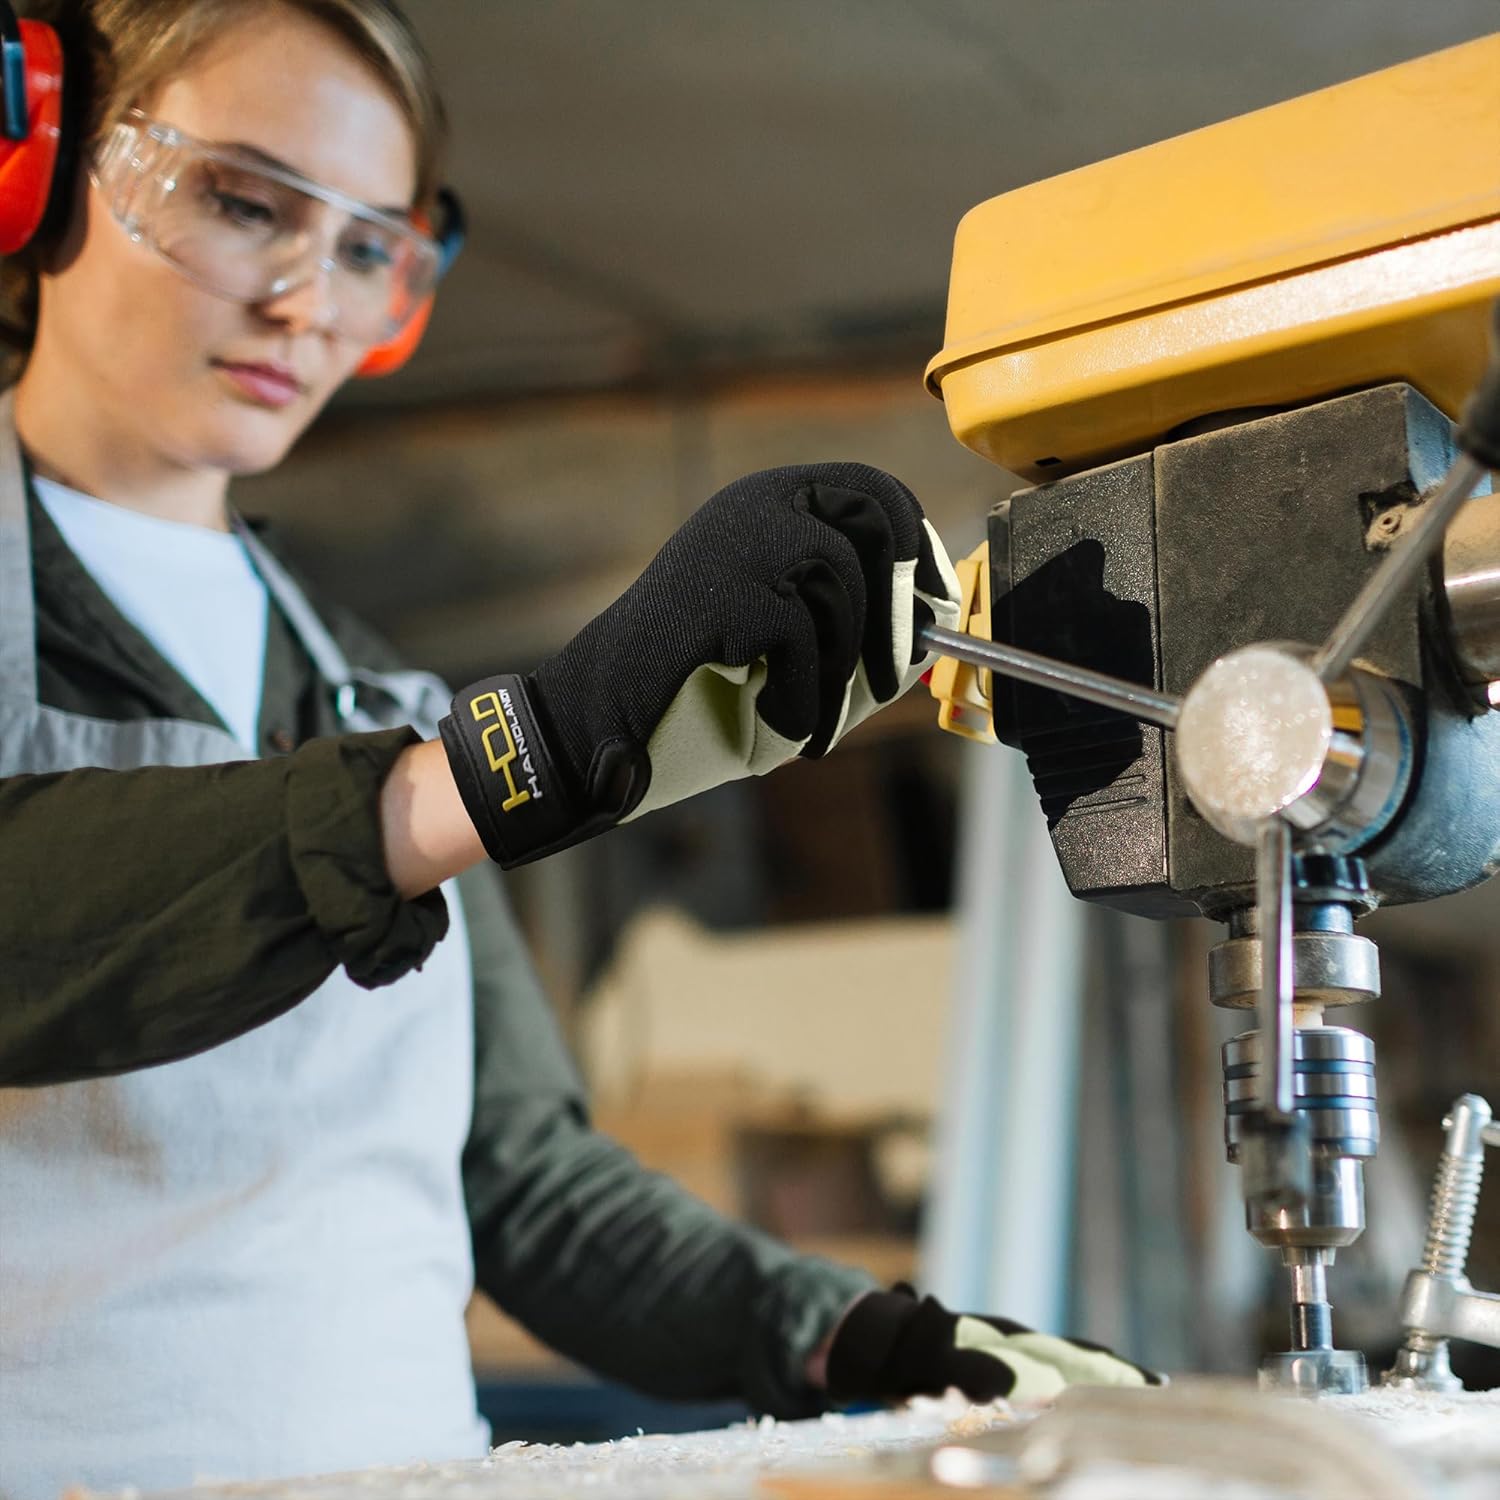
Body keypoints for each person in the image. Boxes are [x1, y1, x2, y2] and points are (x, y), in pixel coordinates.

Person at [0, 2, 1158, 1495]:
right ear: (37, 163)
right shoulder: (409, 758)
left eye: (366, 247)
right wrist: (512, 762)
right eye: (241, 202)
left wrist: (856, 1338)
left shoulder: (362, 691)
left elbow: (522, 1180)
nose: (308, 302)